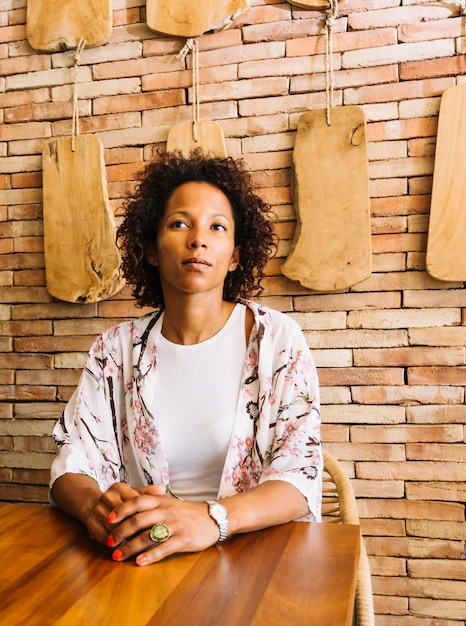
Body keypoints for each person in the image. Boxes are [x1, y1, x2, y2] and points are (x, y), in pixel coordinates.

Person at [49, 152, 323, 566]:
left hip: (260, 563)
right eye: (180, 223)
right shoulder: (115, 350)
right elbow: (73, 460)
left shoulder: (276, 340)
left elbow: (299, 477)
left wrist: (210, 520)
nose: (198, 239)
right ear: (152, 249)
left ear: (234, 256)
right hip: (146, 562)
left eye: (218, 226)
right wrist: (96, 508)